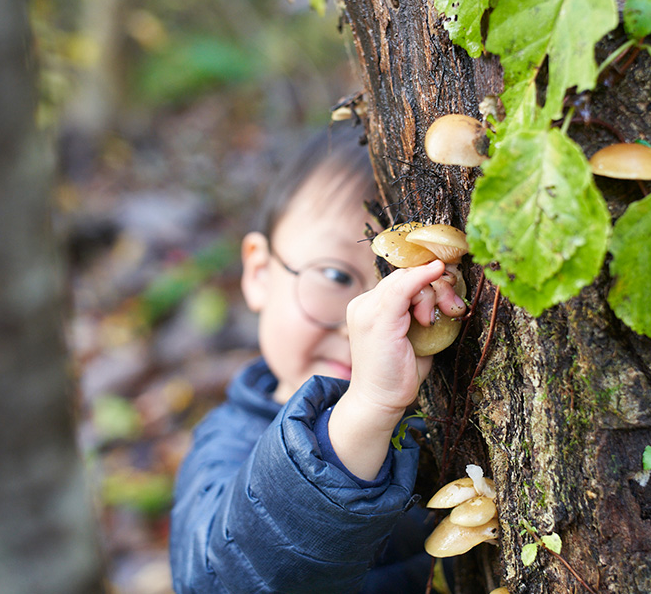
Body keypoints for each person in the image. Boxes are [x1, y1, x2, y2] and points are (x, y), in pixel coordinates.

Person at [169, 120, 467, 593]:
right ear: (259, 272)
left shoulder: (442, 427)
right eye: (335, 276)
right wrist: (368, 410)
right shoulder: (224, 446)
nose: (365, 320)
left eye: (403, 291)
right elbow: (222, 580)